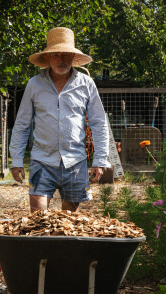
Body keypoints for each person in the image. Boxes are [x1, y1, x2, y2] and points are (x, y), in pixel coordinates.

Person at [9, 27, 110, 212]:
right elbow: (22, 124)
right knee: (38, 218)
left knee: (68, 222)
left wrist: (100, 160)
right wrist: (16, 160)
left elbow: (98, 123)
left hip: (75, 162)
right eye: (56, 54)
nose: (61, 60)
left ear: (73, 57)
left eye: (66, 55)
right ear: (47, 57)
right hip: (42, 161)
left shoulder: (86, 84)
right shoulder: (34, 85)